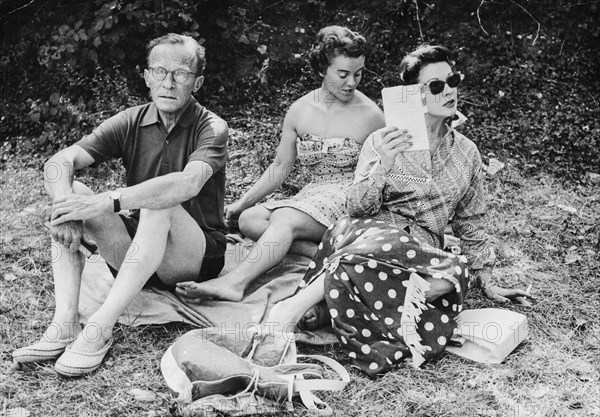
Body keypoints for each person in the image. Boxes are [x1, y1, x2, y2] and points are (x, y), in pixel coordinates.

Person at [264, 44, 534, 377]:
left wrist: (486, 278)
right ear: (415, 95)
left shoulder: (467, 152)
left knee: (456, 273)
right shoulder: (382, 140)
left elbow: (471, 218)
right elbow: (357, 207)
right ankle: (292, 310)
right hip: (366, 234)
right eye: (436, 86)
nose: (448, 90)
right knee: (387, 246)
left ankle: (336, 298)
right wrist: (382, 165)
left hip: (420, 251)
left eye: (452, 80)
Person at [12, 33, 229, 377]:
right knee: (74, 193)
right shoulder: (131, 119)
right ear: (146, 77)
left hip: (194, 255)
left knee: (161, 202)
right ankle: (66, 321)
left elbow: (187, 184)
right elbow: (59, 161)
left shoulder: (212, 127)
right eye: (159, 71)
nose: (168, 83)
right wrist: (66, 207)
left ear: (197, 82)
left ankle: (99, 328)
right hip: (140, 254)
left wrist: (109, 201)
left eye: (181, 74)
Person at [176, 26, 385, 302]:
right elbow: (280, 167)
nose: (352, 83)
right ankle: (328, 252)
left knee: (284, 219)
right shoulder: (300, 109)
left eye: (358, 74)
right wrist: (241, 204)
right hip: (314, 194)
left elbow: (386, 174)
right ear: (322, 69)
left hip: (349, 198)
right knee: (250, 220)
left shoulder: (371, 115)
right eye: (343, 74)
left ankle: (235, 283)